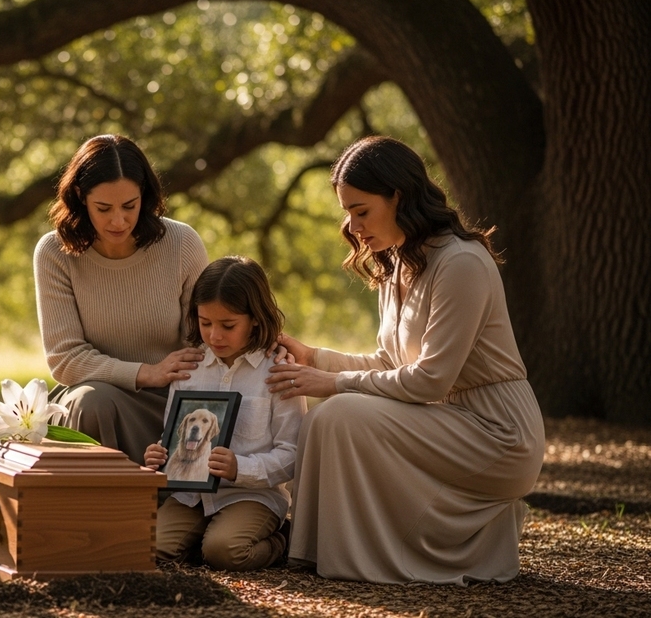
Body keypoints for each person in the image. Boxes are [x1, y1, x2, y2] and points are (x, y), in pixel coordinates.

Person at [266, 136, 545, 584]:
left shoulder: (461, 263)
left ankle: (352, 555)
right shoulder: (398, 263)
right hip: (447, 422)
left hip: (499, 434)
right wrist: (314, 357)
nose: (352, 226)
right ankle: (312, 550)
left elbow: (429, 381)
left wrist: (331, 384)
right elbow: (389, 360)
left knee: (339, 413)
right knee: (324, 419)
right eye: (347, 212)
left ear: (398, 196)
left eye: (361, 211)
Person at [33, 134, 209, 465]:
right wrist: (145, 372)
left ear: (145, 196)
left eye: (129, 206)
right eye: (103, 208)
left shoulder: (182, 243)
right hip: (91, 401)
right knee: (94, 402)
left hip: (168, 400)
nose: (118, 220)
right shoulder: (54, 253)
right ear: (81, 199)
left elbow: (204, 342)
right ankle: (104, 512)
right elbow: (65, 358)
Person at [143, 256, 306, 571]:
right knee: (150, 547)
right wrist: (158, 455)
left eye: (228, 325)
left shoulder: (278, 372)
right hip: (191, 497)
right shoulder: (188, 369)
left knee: (225, 553)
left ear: (255, 318)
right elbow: (172, 436)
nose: (214, 336)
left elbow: (293, 453)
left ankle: (280, 539)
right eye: (205, 323)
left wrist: (239, 468)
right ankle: (203, 540)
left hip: (252, 495)